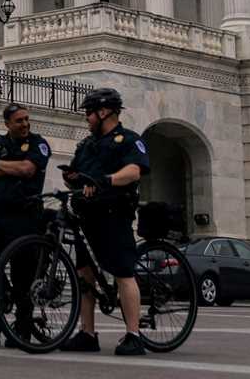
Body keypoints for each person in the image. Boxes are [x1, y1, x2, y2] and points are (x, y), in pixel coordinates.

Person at [60, 87, 151, 357]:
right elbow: (76, 171)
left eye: (89, 112)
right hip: (85, 215)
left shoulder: (128, 140)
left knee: (123, 272)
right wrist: (73, 178)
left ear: (104, 112)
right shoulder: (87, 144)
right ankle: (88, 333)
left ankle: (134, 334)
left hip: (113, 213)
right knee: (84, 274)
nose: (86, 118)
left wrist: (106, 180)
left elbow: (134, 171)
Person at [0, 103, 51, 347]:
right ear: (7, 124)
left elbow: (28, 170)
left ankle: (21, 330)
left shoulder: (39, 143)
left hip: (25, 218)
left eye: (27, 119)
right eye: (19, 121)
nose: (25, 124)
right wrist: (6, 166)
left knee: (22, 276)